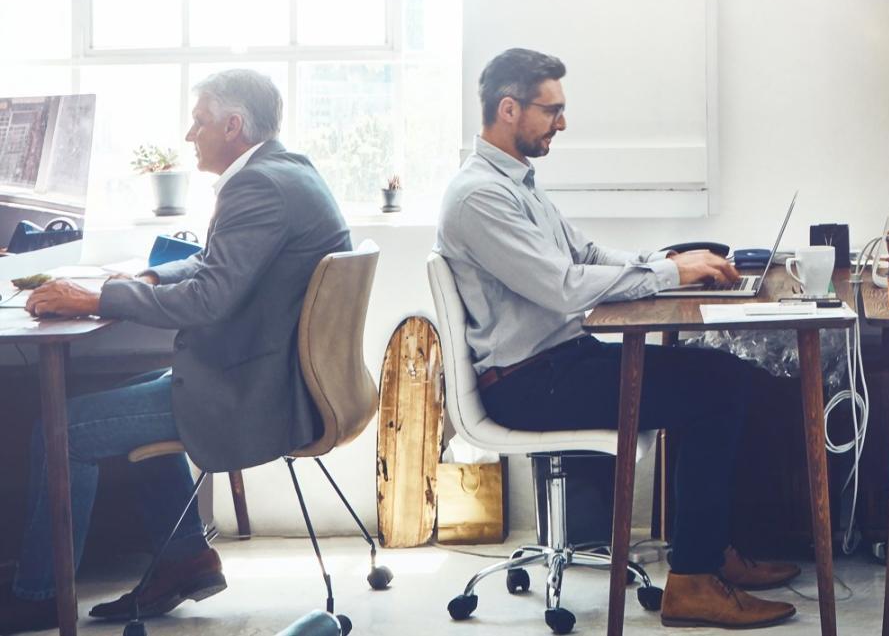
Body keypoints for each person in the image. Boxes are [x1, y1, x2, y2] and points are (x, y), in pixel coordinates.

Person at [436, 48, 797, 630]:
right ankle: (695, 582)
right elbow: (561, 286)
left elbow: (586, 255)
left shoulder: (516, 183)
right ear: (509, 109)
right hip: (528, 382)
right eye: (551, 110)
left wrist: (666, 260)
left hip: (558, 363)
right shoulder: (480, 197)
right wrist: (670, 276)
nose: (562, 123)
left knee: (725, 376)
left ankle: (709, 555)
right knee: (719, 388)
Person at [1, 70, 352, 634]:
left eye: (200, 122)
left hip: (250, 396)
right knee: (138, 382)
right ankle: (184, 556)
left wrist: (98, 296)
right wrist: (147, 276)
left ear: (234, 126)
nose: (191, 135)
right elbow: (218, 263)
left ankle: (41, 593)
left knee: (59, 428)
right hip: (276, 381)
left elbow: (210, 297)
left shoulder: (256, 187)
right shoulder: (287, 172)